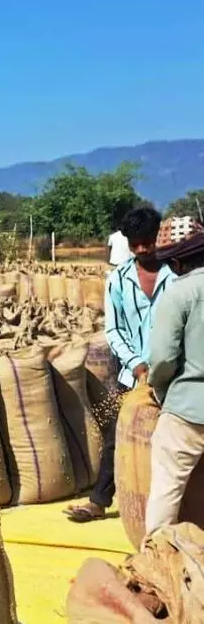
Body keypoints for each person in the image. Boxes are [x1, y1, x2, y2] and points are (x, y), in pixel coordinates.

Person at [65, 207, 173, 523]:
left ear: (158, 237)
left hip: (175, 374)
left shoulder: (176, 273)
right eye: (135, 244)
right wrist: (138, 367)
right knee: (119, 435)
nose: (142, 249)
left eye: (147, 242)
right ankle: (99, 501)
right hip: (132, 374)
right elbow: (114, 330)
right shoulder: (118, 280)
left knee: (178, 438)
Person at [144, 218, 204, 537]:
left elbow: (163, 358)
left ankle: (159, 555)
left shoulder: (179, 293)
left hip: (187, 412)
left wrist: (159, 390)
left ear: (177, 263)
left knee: (166, 490)